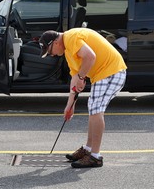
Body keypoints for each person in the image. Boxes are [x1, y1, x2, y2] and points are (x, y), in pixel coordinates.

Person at [39, 28, 127, 168]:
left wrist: (81, 77)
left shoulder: (71, 37)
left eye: (50, 51)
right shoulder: (68, 50)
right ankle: (88, 149)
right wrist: (70, 105)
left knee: (96, 109)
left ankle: (95, 157)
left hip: (112, 71)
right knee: (93, 107)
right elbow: (75, 77)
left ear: (55, 42)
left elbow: (90, 56)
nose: (52, 55)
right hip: (105, 73)